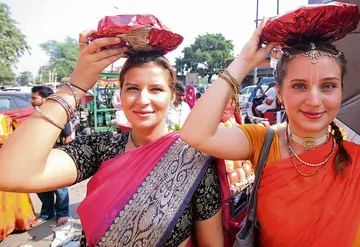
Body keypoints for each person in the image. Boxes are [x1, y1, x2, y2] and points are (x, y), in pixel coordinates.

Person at [181, 18, 360, 246]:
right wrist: (244, 62)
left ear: (341, 90)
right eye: (299, 86)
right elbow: (195, 134)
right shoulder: (261, 142)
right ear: (280, 93)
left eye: (328, 86)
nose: (314, 101)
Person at [0, 33, 223, 247]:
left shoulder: (193, 158)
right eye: (132, 88)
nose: (143, 100)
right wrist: (76, 86)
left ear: (172, 96)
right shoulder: (102, 148)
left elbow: (211, 243)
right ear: (121, 95)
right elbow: (10, 173)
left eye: (156, 89)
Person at [30, 86, 72, 227]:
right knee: (41, 187)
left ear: (45, 99)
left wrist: (64, 156)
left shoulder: (58, 115)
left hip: (55, 155)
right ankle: (47, 213)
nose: (32, 101)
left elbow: (68, 137)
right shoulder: (36, 115)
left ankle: (62, 213)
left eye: (34, 97)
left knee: (59, 188)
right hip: (38, 156)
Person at [0, 114, 36, 241]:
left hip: (8, 163)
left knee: (13, 196)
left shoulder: (7, 120)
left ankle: (17, 223)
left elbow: (20, 140)